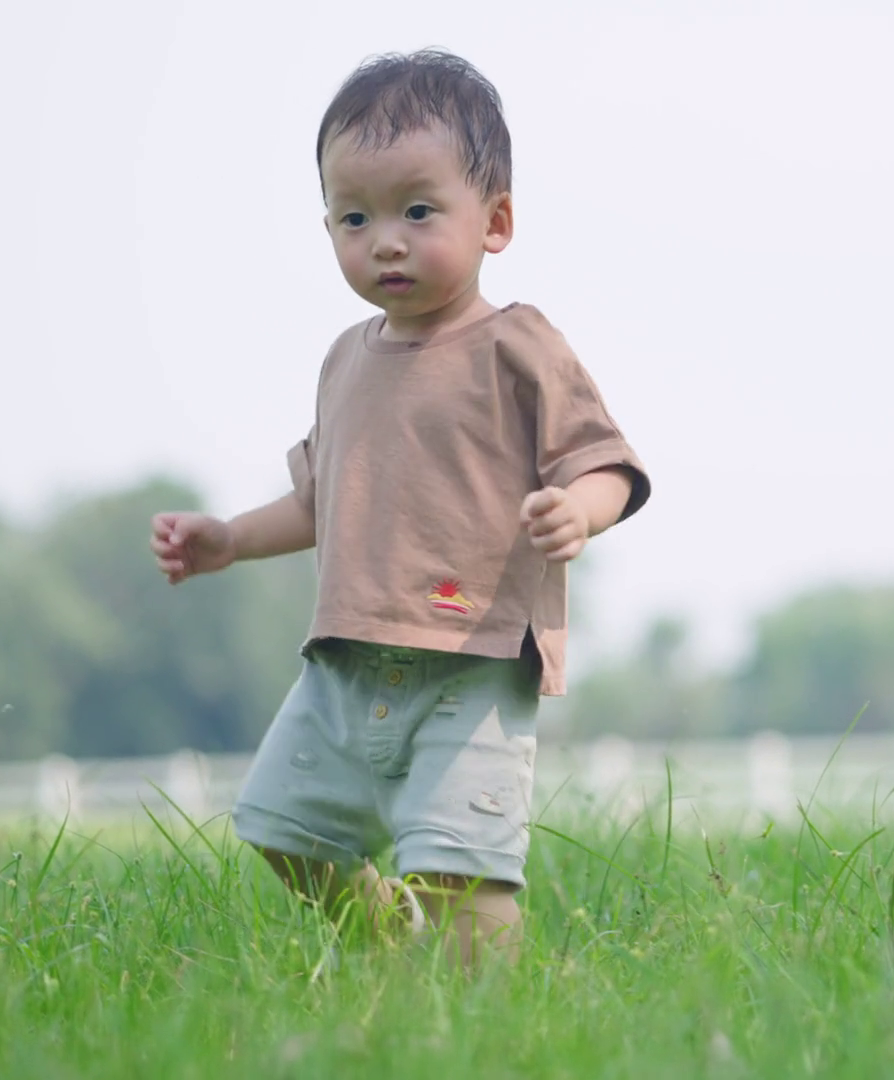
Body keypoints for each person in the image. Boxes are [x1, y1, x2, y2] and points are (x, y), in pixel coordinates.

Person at [149, 49, 649, 966]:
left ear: (495, 220)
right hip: (345, 661)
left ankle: (488, 1018)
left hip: (474, 658)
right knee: (284, 832)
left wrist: (581, 512)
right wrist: (227, 540)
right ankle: (388, 943)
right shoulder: (346, 359)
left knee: (461, 869)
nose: (385, 240)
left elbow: (605, 462)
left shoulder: (516, 344)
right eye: (355, 217)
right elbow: (319, 500)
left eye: (418, 211)